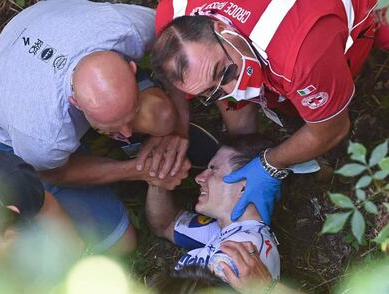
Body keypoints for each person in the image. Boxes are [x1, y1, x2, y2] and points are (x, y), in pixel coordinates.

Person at [0, 0, 189, 255]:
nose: (128, 133)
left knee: (162, 116)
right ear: (76, 103)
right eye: (111, 127)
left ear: (131, 67)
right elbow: (53, 173)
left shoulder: (124, 28)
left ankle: (113, 129)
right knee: (121, 242)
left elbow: (180, 43)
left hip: (43, 22)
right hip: (7, 115)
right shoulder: (41, 132)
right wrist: (138, 170)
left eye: (129, 117)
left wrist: (180, 130)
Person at [151, 0, 389, 225]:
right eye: (210, 92)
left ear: (223, 29)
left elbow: (331, 129)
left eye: (224, 72)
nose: (234, 90)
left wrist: (269, 163)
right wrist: (240, 146)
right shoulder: (174, 17)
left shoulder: (300, 58)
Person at [145, 134, 280, 292]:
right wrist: (158, 180)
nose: (199, 178)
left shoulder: (238, 254)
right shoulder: (234, 233)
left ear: (244, 186)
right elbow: (166, 224)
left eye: (213, 170)